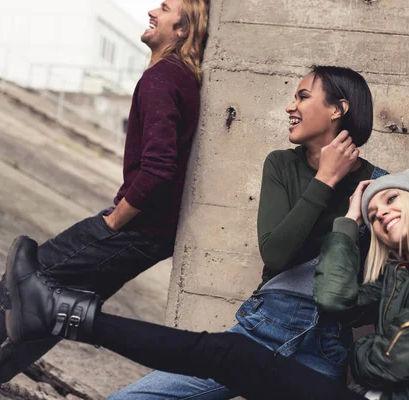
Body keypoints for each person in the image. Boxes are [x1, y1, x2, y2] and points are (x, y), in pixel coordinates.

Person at [2, 168, 409, 400]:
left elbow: (384, 364)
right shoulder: (405, 272)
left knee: (230, 356)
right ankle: (59, 313)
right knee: (224, 357)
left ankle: (60, 313)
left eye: (393, 203)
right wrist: (348, 221)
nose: (382, 214)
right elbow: (335, 299)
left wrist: (359, 354)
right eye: (375, 213)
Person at [0, 1, 209, 399]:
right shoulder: (183, 79)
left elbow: (159, 167)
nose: (152, 11)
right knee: (60, 308)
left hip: (134, 227)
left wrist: (114, 221)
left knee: (23, 276)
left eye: (164, 8)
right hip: (155, 234)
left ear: (182, 29)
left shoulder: (162, 79)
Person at [110, 65, 388, 399]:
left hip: (327, 346)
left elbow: (382, 285)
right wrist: (325, 181)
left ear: (337, 109)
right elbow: (275, 253)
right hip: (266, 327)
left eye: (302, 96)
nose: (291, 106)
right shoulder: (281, 165)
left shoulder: (380, 186)